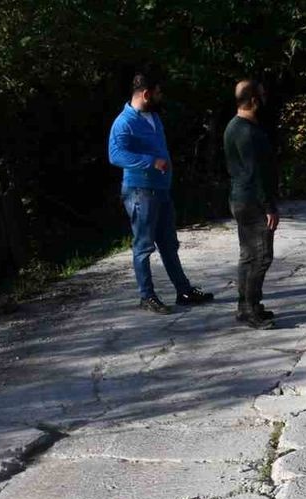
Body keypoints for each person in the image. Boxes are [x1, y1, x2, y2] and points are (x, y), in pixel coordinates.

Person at [108, 68, 213, 314]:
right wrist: (150, 161)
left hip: (161, 190)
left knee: (168, 243)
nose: (160, 96)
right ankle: (147, 296)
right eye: (158, 92)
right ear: (146, 94)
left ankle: (183, 290)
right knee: (143, 245)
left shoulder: (153, 117)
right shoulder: (124, 122)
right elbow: (115, 155)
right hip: (140, 192)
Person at [223, 79, 279, 329]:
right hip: (252, 202)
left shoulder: (236, 126)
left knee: (248, 255)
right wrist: (269, 207)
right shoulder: (245, 131)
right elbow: (256, 173)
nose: (266, 99)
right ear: (254, 100)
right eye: (263, 95)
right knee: (262, 256)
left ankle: (246, 306)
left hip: (241, 198)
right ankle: (250, 309)